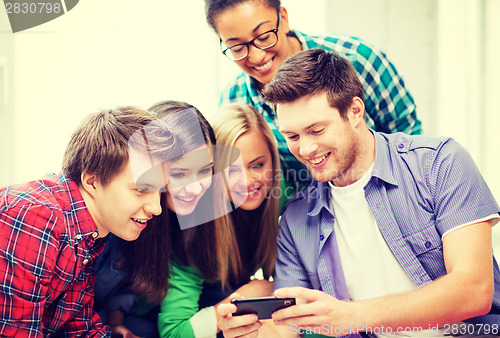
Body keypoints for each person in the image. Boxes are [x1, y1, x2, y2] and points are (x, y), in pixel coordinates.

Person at [217, 49, 500, 338]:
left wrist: (352, 316)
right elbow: (290, 328)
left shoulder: (439, 164)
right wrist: (244, 330)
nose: (305, 149)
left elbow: (474, 290)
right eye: (292, 136)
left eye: (316, 130)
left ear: (355, 111)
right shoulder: (296, 219)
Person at [205, 0, 423, 192]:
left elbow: (408, 135)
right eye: (236, 47)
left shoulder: (358, 58)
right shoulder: (235, 102)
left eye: (263, 37)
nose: (256, 55)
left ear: (283, 18)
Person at [0, 106, 176, 336]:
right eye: (142, 189)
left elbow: (79, 327)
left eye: (159, 191)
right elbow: (16, 332)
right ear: (92, 181)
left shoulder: (88, 234)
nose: (157, 208)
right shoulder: (38, 217)